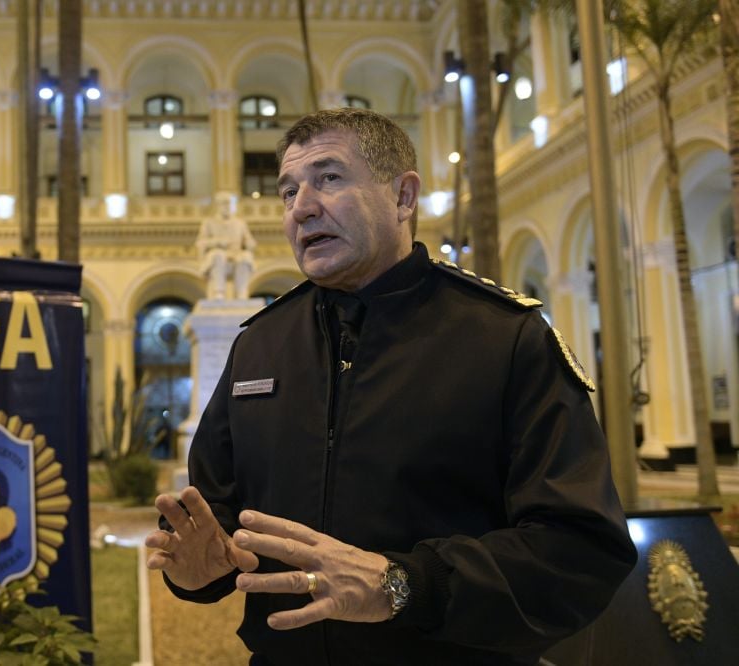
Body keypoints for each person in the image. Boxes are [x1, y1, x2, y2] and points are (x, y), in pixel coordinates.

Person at [145, 108, 637, 665]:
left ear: (404, 197)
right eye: (287, 192)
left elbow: (581, 549)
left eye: (329, 178)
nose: (302, 208)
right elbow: (218, 513)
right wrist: (197, 571)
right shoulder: (261, 344)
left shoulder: (504, 339)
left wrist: (405, 584)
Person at [197, 191, 257, 300]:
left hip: (236, 256)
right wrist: (218, 242)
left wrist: (249, 244)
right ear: (218, 206)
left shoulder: (240, 223)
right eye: (225, 203)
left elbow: (249, 240)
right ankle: (218, 292)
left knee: (245, 257)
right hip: (218, 258)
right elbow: (201, 242)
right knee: (218, 255)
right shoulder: (209, 222)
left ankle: (241, 293)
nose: (228, 206)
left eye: (230, 203)